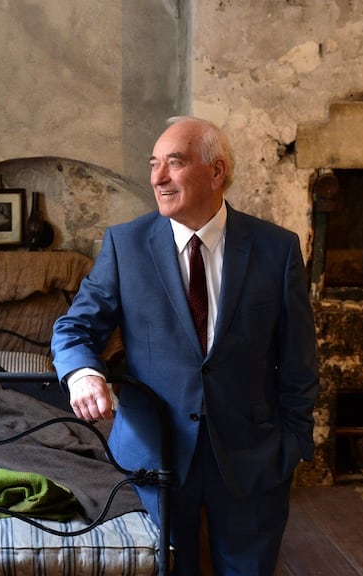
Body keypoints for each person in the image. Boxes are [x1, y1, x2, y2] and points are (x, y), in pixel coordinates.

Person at [51, 116, 318, 575]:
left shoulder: (277, 249)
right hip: (154, 455)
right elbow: (75, 328)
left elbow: (299, 359)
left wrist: (293, 443)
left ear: (216, 172)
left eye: (173, 163)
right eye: (153, 164)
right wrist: (83, 374)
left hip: (254, 454)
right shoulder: (125, 245)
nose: (157, 178)